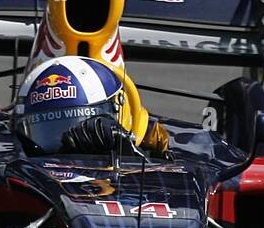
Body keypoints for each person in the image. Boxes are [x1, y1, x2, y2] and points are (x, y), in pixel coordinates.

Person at [14, 56, 169, 156]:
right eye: (48, 131)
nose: (67, 144)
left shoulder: (160, 141)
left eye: (80, 129)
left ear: (118, 110)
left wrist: (130, 153)